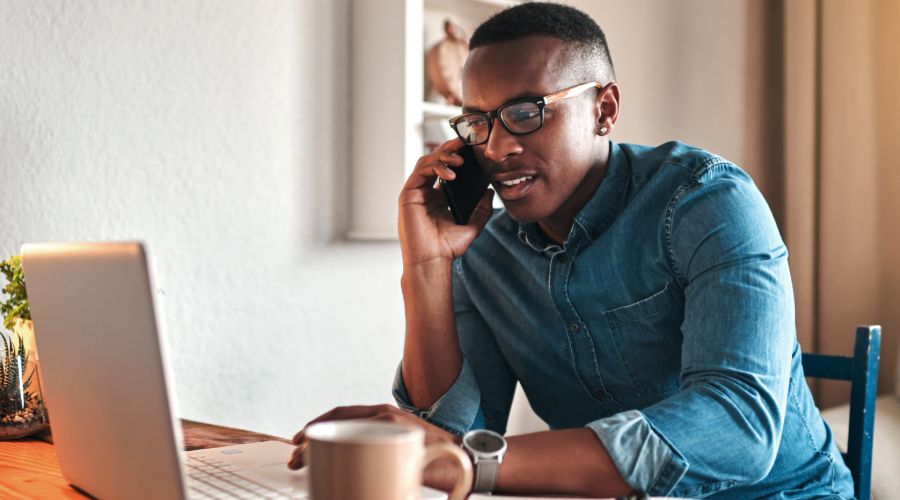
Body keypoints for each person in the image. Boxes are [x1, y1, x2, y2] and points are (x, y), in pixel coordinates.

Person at [290, 3, 854, 497]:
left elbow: (738, 428)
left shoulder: (707, 201)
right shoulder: (483, 244)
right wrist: (427, 268)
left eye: (526, 112)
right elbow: (451, 437)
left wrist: (463, 462)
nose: (499, 146)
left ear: (604, 110)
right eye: (478, 122)